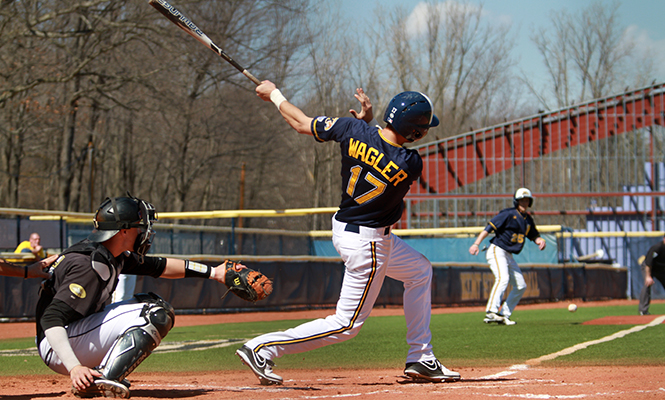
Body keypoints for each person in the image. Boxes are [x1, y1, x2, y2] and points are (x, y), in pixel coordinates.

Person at [235, 81, 460, 385]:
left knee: (419, 271)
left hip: (349, 230)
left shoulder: (351, 128)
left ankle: (421, 357)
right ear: (415, 132)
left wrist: (273, 95)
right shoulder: (410, 163)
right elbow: (386, 149)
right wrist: (368, 121)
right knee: (346, 325)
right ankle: (262, 348)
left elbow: (301, 123)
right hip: (368, 244)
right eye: (422, 129)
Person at [36, 195, 245, 398]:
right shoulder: (88, 265)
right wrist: (74, 367)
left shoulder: (110, 253)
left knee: (149, 303)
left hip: (74, 335)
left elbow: (161, 266)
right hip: (58, 346)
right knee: (154, 313)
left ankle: (103, 372)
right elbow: (51, 318)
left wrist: (214, 273)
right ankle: (102, 380)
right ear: (123, 231)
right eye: (139, 226)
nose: (144, 231)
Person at [468, 188, 546, 325]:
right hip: (497, 250)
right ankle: (491, 312)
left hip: (508, 254)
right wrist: (476, 243)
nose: (524, 202)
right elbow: (489, 228)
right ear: (516, 201)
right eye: (522, 200)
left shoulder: (528, 220)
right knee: (503, 278)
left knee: (521, 285)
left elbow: (534, 235)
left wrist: (539, 240)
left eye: (527, 200)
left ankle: (504, 314)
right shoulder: (508, 214)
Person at [638, 235, 665, 316]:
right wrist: (648, 277)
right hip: (649, 268)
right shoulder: (657, 248)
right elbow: (648, 264)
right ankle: (643, 310)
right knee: (647, 285)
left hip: (661, 269)